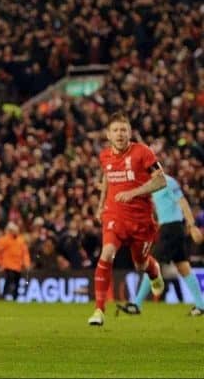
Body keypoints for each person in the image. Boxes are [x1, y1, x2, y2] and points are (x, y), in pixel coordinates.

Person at [88, 112, 167, 326]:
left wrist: (134, 193)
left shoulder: (143, 152)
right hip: (114, 216)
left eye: (123, 130)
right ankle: (99, 310)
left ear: (130, 133)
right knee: (107, 253)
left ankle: (154, 271)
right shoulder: (104, 156)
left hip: (141, 220)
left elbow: (161, 181)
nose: (120, 134)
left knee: (140, 264)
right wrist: (100, 204)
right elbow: (106, 177)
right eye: (115, 130)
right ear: (108, 135)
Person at [116, 174, 204, 316]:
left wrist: (192, 225)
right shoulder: (151, 185)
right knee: (183, 267)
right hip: (169, 228)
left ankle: (137, 304)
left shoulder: (168, 181)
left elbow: (182, 202)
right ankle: (201, 305)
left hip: (171, 228)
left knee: (152, 265)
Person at [0, 222, 30, 300]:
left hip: (18, 266)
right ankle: (4, 296)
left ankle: (14, 297)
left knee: (16, 282)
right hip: (8, 265)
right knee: (9, 280)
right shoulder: (5, 240)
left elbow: (25, 253)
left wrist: (26, 263)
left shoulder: (20, 240)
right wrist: (0, 262)